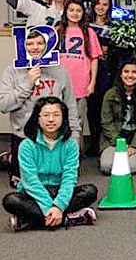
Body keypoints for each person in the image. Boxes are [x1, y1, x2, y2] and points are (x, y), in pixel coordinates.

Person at [2, 97, 98, 232]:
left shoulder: (70, 145)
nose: (51, 119)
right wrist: (50, 208)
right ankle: (68, 218)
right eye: (46, 115)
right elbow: (30, 181)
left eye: (56, 115)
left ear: (63, 118)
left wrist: (58, 206)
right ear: (37, 118)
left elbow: (69, 178)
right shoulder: (26, 146)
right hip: (34, 194)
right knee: (11, 200)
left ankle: (30, 220)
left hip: (60, 190)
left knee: (90, 191)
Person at [0, 30, 80, 188]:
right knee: (22, 189)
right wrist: (28, 82)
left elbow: (70, 106)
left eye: (40, 43)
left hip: (55, 139)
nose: (35, 47)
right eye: (30, 43)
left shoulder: (60, 71)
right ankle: (9, 158)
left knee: (59, 185)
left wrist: (75, 138)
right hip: (24, 138)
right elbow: (4, 105)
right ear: (22, 45)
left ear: (48, 45)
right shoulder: (12, 71)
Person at [56, 0, 103, 154]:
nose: (75, 14)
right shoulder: (57, 31)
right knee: (57, 119)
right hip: (58, 83)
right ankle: (58, 153)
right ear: (65, 12)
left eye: (78, 10)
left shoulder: (88, 32)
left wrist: (92, 83)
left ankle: (75, 154)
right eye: (71, 10)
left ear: (83, 13)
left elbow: (94, 58)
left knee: (77, 121)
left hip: (80, 84)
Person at [100, 60, 136, 174]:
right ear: (120, 74)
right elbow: (106, 122)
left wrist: (135, 146)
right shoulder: (110, 94)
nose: (130, 75)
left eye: (134, 72)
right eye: (126, 72)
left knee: (131, 168)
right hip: (115, 139)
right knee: (106, 167)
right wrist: (119, 144)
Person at [87, 0, 114, 156]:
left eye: (105, 4)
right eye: (98, 4)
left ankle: (106, 142)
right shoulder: (85, 24)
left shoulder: (115, 27)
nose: (101, 7)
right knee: (92, 108)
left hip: (108, 71)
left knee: (106, 107)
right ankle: (94, 140)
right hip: (88, 70)